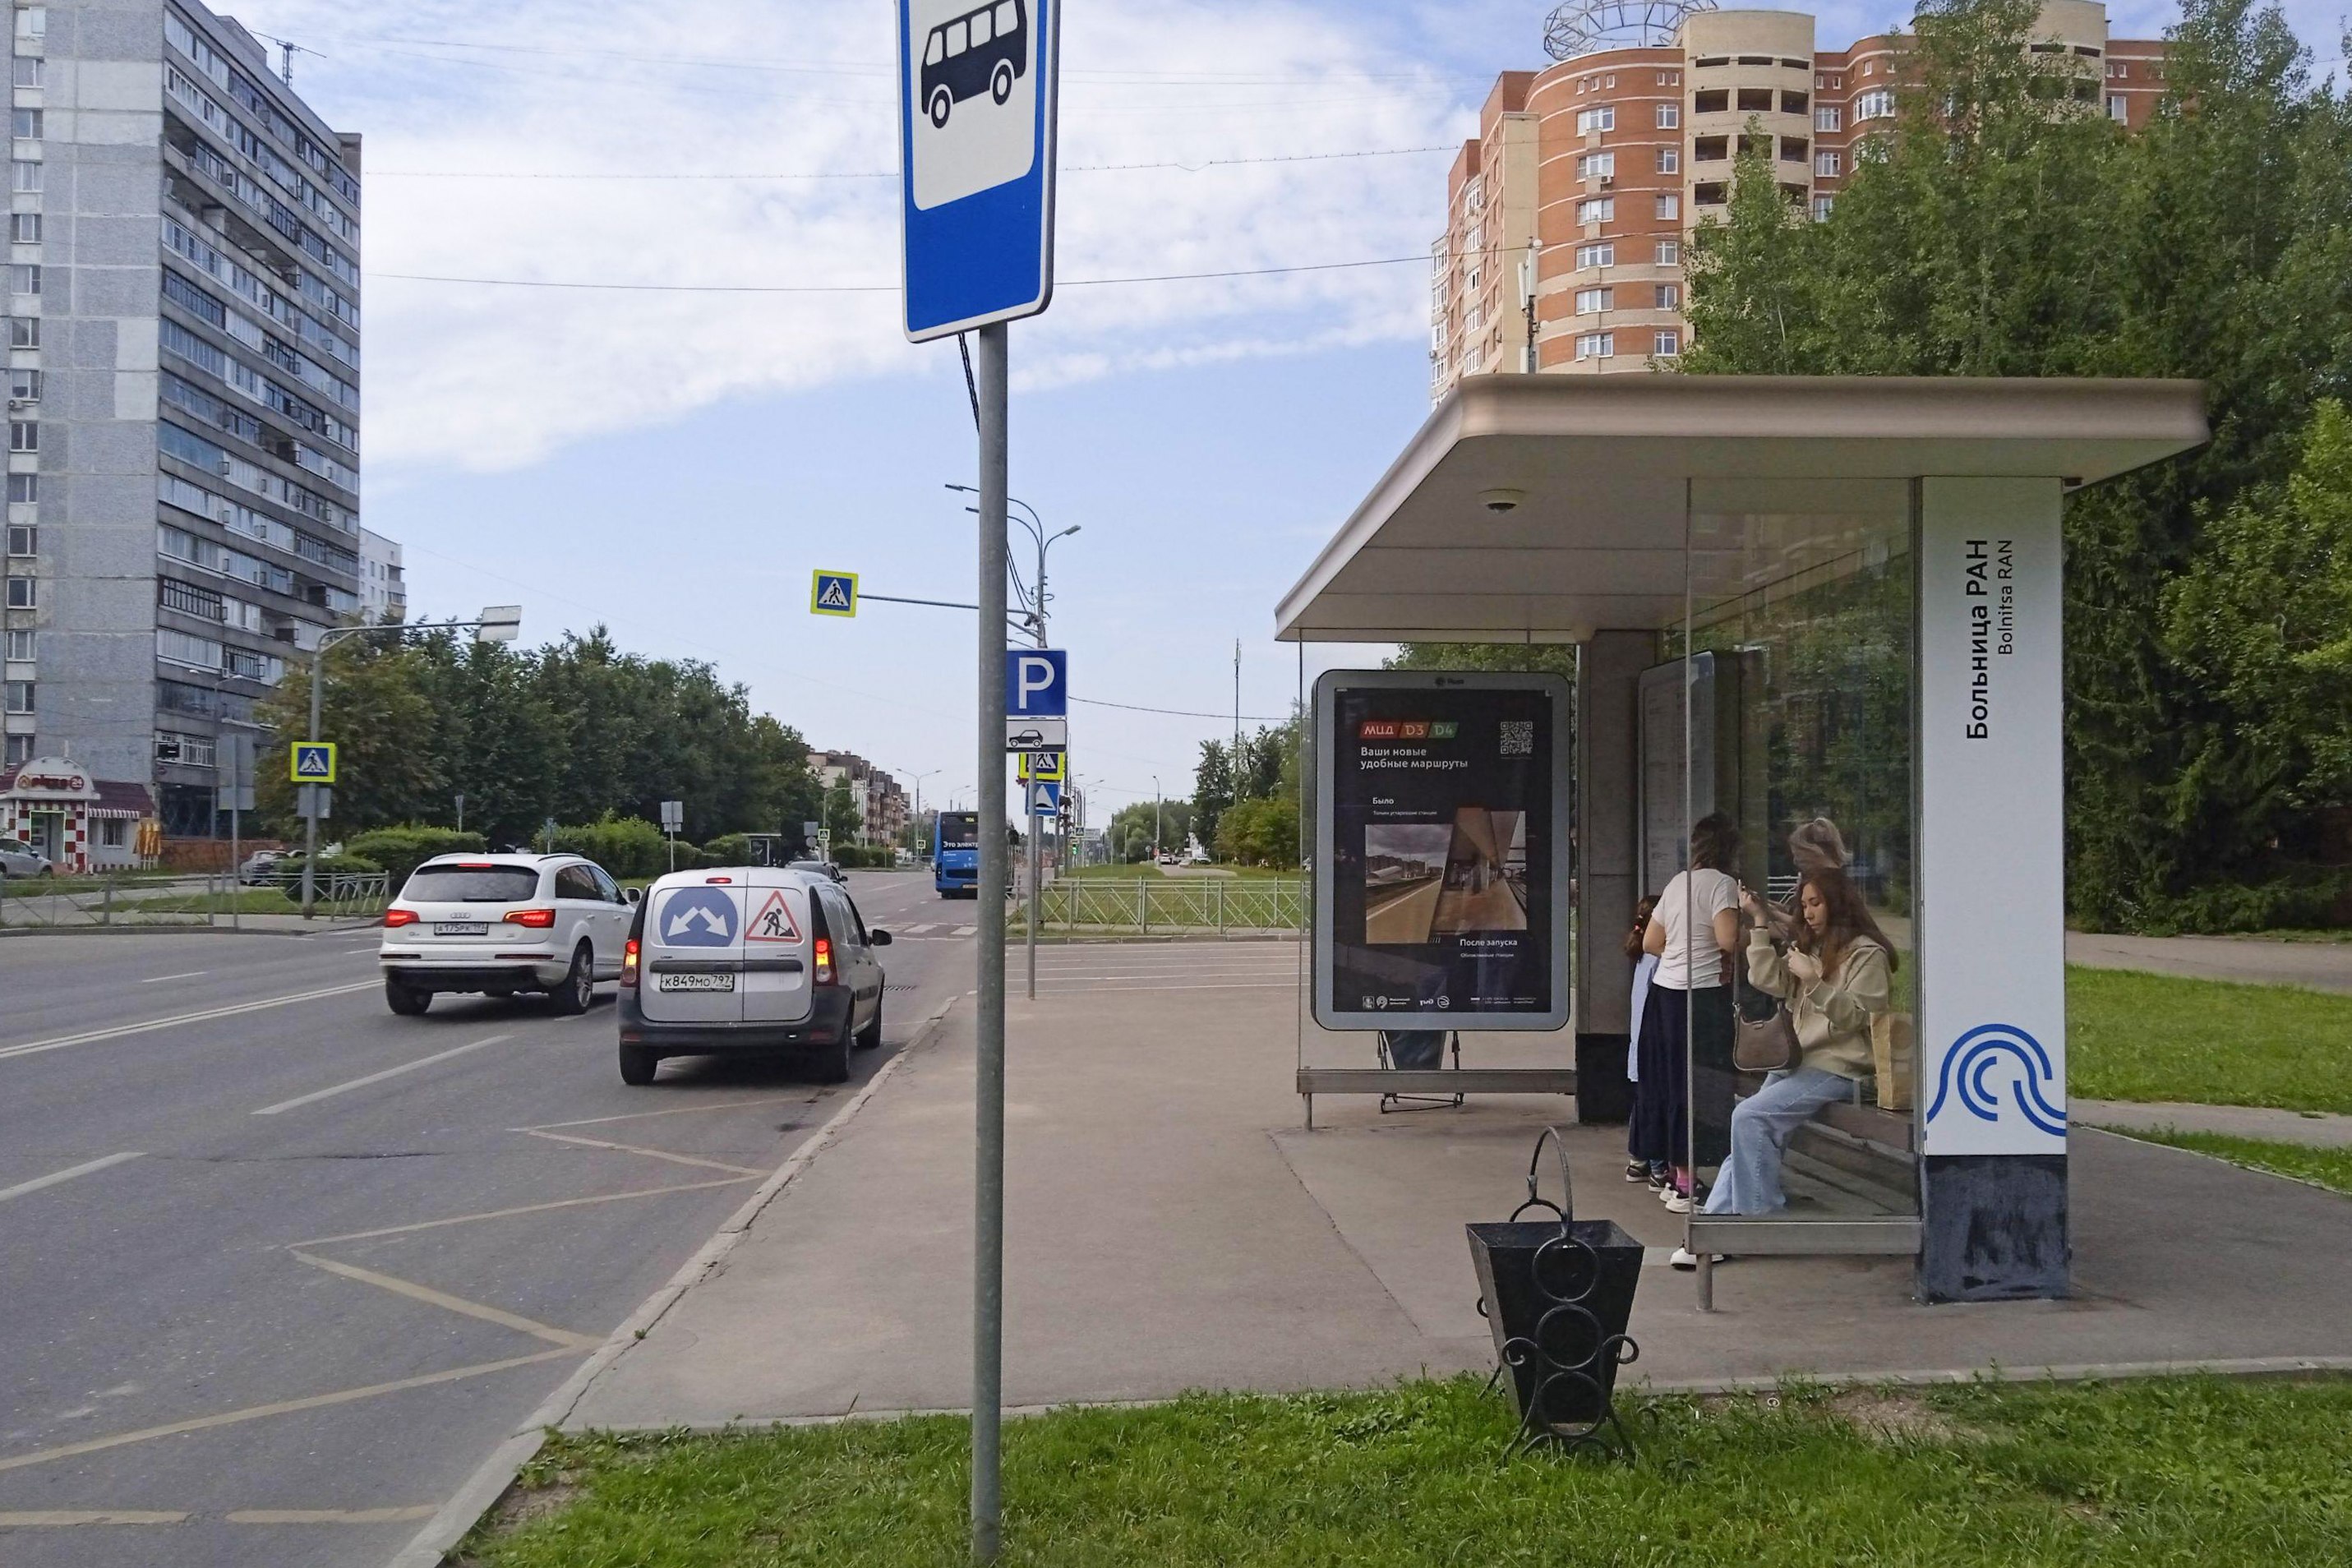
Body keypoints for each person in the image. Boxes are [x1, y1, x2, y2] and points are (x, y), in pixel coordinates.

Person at [1699, 866, 1895, 1223]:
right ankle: (1716, 1221)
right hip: (1798, 1062)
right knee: (1747, 1128)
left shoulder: (1867, 955)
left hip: (1839, 1068)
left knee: (1750, 1117)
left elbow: (1860, 1017)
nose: (1808, 913)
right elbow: (1766, 980)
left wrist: (1814, 982)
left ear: (1837, 903)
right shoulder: (1812, 948)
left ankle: (1760, 1221)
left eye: (1816, 903)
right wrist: (1760, 923)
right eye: (1804, 905)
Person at [1628, 812, 1743, 1216]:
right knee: (1700, 1084)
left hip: (1664, 996)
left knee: (1671, 1082)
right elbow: (1728, 939)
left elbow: (1651, 942)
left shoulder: (1678, 882)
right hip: (1701, 996)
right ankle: (1686, 1184)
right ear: (1730, 849)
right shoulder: (1723, 885)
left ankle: (1675, 1175)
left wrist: (1680, 952)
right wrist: (1760, 928)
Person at [1621, 895, 1663, 1189]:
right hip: (1654, 1046)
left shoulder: (1642, 957)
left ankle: (1638, 1161)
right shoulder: (1660, 960)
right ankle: (1660, 1167)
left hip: (1639, 1044)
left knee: (1643, 1104)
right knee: (1657, 1105)